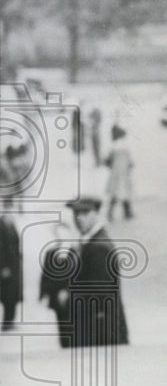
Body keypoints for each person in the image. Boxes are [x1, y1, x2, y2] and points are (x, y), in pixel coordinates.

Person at [64, 196, 129, 346]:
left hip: (100, 327)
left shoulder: (98, 247)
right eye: (76, 214)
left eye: (85, 213)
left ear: (96, 214)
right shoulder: (87, 241)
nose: (79, 218)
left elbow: (99, 292)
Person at [39, 221, 74, 348]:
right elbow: (45, 275)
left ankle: (71, 343)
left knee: (71, 319)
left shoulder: (74, 251)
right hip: (55, 293)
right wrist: (43, 293)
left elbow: (78, 274)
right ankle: (64, 344)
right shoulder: (50, 252)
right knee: (61, 320)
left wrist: (68, 290)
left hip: (69, 294)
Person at [0, 197, 22, 331]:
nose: (11, 211)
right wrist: (3, 267)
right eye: (9, 207)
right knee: (7, 294)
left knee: (13, 294)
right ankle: (7, 322)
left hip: (14, 266)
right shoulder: (2, 224)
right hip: (7, 267)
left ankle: (11, 320)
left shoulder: (12, 224)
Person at [105, 125, 134, 221]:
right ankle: (127, 212)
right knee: (125, 193)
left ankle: (110, 212)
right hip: (124, 174)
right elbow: (130, 162)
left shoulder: (113, 146)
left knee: (114, 194)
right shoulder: (126, 146)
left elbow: (108, 161)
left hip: (115, 174)